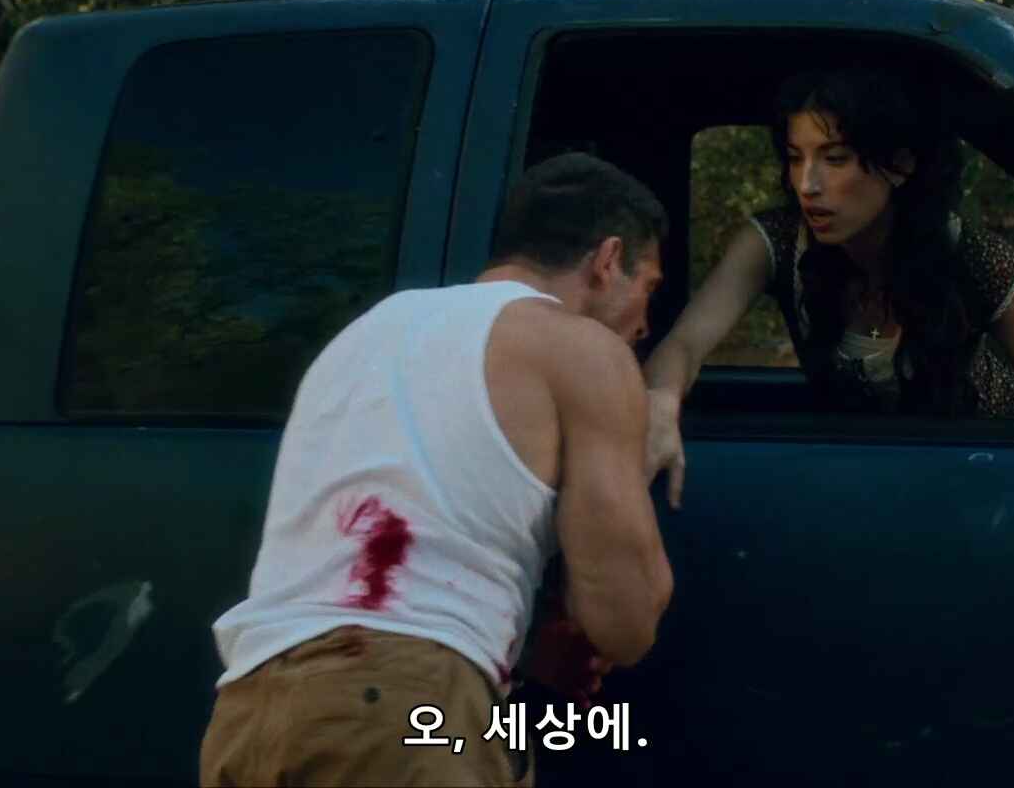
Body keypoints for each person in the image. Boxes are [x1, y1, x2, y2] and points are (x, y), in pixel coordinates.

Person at [198, 152, 676, 787]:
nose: (644, 325)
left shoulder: (365, 334)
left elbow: (385, 573)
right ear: (608, 260)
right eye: (649, 289)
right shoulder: (580, 348)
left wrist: (528, 649)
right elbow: (625, 620)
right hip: (408, 713)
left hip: (251, 714)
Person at [643, 66, 1014, 508]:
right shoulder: (780, 242)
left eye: (835, 158)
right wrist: (661, 403)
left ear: (900, 165)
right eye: (795, 158)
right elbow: (684, 344)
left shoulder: (979, 260)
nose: (807, 185)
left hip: (994, 490)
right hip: (872, 492)